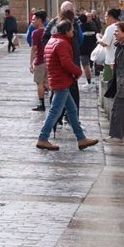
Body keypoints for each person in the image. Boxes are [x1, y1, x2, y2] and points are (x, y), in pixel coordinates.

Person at [35, 20, 99, 152]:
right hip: (61, 81)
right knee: (55, 111)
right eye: (71, 30)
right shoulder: (62, 43)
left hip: (57, 80)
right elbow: (66, 62)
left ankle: (81, 138)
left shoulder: (52, 41)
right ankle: (42, 138)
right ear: (65, 31)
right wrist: (77, 71)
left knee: (72, 110)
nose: (73, 32)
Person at [28, 10, 48, 112]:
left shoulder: (35, 33)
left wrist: (31, 62)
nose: (32, 21)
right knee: (48, 83)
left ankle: (42, 104)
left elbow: (34, 48)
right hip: (48, 60)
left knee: (39, 83)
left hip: (40, 60)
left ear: (39, 20)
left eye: (34, 19)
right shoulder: (48, 31)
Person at [79, 14, 96, 83]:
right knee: (93, 63)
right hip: (92, 48)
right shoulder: (91, 26)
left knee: (85, 65)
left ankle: (89, 81)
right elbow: (95, 37)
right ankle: (95, 76)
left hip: (83, 49)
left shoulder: (80, 28)